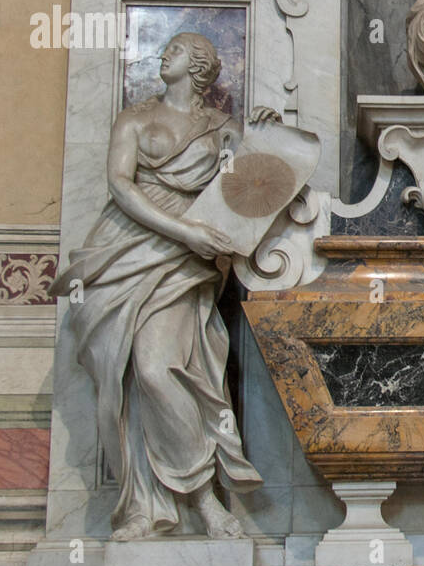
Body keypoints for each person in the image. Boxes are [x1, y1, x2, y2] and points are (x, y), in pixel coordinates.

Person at [55, 32, 279, 540]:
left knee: (161, 369)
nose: (164, 55)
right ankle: (143, 506)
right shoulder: (135, 117)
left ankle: (203, 498)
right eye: (166, 50)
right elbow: (120, 183)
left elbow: (256, 187)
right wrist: (184, 230)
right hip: (126, 246)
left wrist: (264, 136)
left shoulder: (222, 130)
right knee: (129, 376)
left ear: (199, 66)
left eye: (175, 50)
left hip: (184, 263)